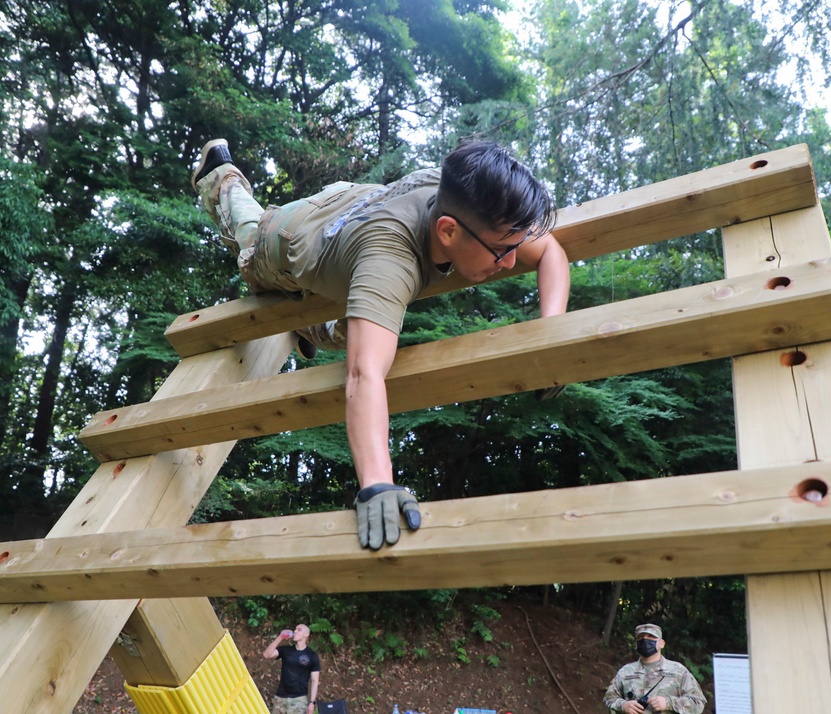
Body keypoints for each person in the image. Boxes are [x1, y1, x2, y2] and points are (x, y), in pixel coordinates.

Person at [191, 138, 570, 550]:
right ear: (448, 231)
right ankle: (219, 172)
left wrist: (548, 336)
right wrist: (376, 484)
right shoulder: (390, 259)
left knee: (361, 325)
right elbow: (363, 373)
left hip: (347, 208)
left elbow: (549, 249)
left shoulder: (463, 198)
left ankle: (312, 324)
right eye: (502, 251)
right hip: (282, 238)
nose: (511, 262)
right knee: (247, 227)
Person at [603, 623, 706, 714]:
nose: (645, 640)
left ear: (662, 643)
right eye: (641, 637)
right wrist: (623, 705)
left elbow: (698, 702)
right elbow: (609, 699)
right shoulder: (625, 672)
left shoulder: (678, 671)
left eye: (651, 637)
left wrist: (668, 703)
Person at [263, 624, 321, 714]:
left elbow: (315, 681)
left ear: (306, 635)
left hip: (299, 700)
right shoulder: (286, 650)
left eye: (299, 630)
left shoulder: (312, 656)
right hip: (280, 697)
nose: (295, 631)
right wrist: (280, 637)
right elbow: (266, 654)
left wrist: (312, 702)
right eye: (295, 629)